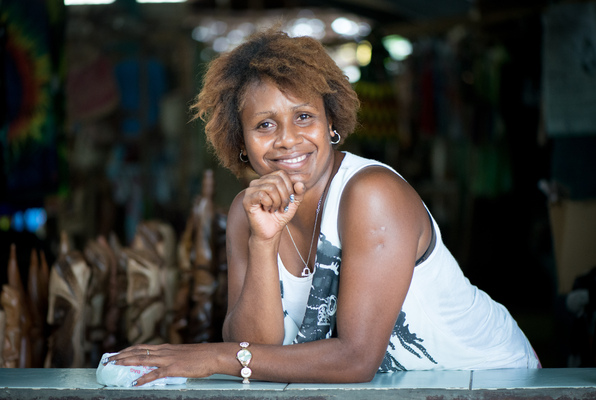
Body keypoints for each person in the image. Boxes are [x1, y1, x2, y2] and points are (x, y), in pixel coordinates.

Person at [106, 27, 540, 386]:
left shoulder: (372, 194)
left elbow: (355, 359)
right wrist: (263, 242)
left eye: (304, 116)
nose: (287, 139)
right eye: (264, 125)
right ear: (240, 142)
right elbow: (256, 347)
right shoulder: (247, 211)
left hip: (493, 382)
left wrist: (213, 358)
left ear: (330, 121)